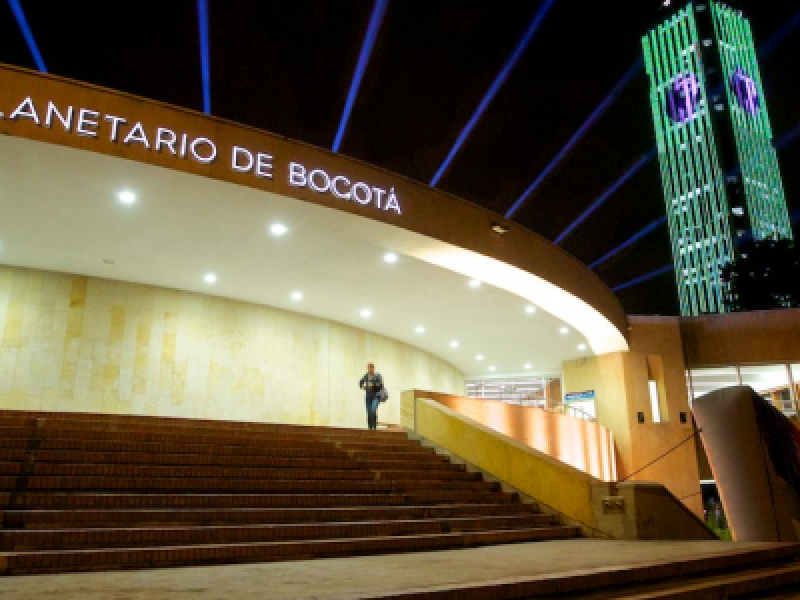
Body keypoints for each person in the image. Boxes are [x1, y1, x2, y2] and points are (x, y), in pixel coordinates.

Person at [359, 362, 383, 430]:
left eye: (370, 368)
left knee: (373, 410)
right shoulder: (366, 375)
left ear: (373, 368)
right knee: (369, 411)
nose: (369, 370)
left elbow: (380, 385)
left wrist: (372, 385)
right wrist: (362, 386)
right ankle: (370, 427)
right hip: (368, 396)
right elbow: (360, 382)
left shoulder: (378, 375)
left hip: (376, 396)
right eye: (368, 368)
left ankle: (374, 426)